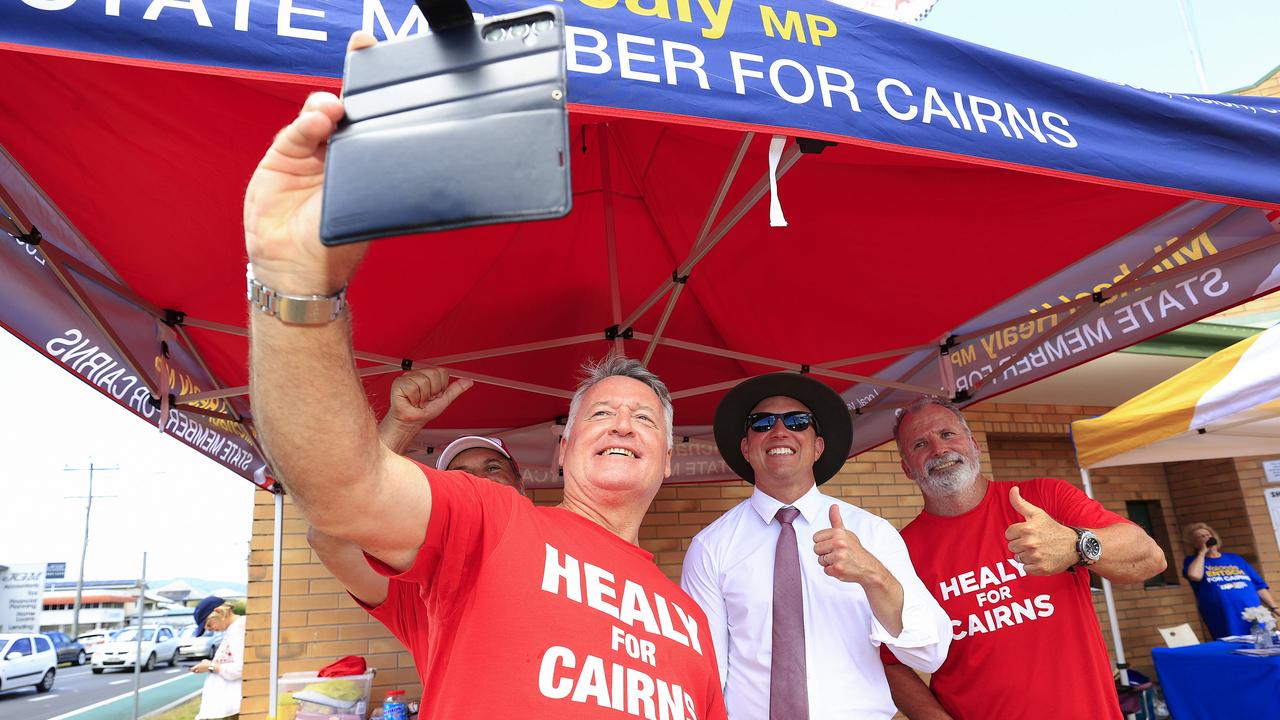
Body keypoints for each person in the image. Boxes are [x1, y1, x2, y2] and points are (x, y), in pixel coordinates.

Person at [242, 32, 726, 719]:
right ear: (561, 451)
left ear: (669, 454)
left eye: (644, 417)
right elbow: (342, 496)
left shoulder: (691, 621)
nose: (623, 423)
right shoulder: (494, 525)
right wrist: (294, 293)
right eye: (601, 414)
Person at [680, 372, 951, 719]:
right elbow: (706, 671)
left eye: (797, 421)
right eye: (761, 423)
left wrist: (874, 576)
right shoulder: (710, 547)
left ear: (817, 446)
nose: (779, 431)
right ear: (746, 448)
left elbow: (930, 652)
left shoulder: (873, 533)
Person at [881, 396, 1167, 720]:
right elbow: (889, 662)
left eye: (947, 434)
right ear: (906, 467)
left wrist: (1075, 544)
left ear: (973, 444)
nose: (939, 450)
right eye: (920, 444)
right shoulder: (899, 552)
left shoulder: (1045, 498)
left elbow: (1150, 558)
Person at [307, 367, 525, 682]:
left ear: (521, 486)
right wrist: (400, 425)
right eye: (460, 474)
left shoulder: (562, 561)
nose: (476, 480)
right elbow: (329, 537)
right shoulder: (415, 586)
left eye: (492, 467)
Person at [1182, 521, 1279, 638]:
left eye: (1208, 535)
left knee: (1261, 642)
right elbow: (1195, 576)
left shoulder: (1235, 558)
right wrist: (1202, 552)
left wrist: (1274, 607)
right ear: (1194, 544)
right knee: (1233, 645)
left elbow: (1258, 585)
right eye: (1201, 537)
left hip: (1253, 612)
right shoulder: (1193, 561)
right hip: (1224, 615)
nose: (1206, 538)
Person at [191, 595, 246, 720]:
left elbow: (241, 668)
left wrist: (210, 666)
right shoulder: (233, 629)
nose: (211, 629)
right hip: (231, 709)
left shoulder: (237, 631)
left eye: (209, 624)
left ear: (219, 612)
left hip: (234, 708)